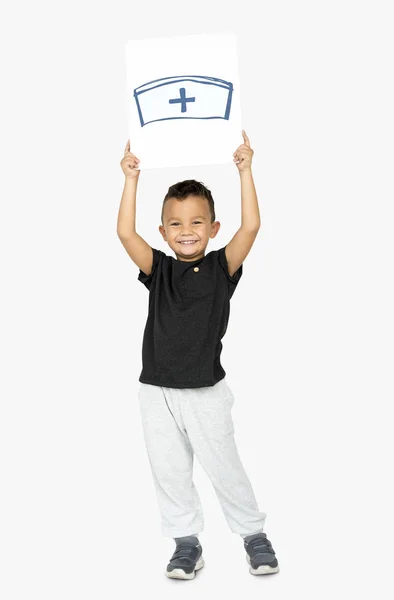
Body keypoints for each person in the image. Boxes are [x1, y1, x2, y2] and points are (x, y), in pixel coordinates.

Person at [117, 131, 280, 579]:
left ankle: (253, 534)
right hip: (156, 393)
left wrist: (245, 171)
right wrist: (130, 178)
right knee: (169, 470)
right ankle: (186, 543)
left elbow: (251, 227)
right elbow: (124, 232)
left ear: (212, 228)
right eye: (175, 223)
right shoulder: (158, 270)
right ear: (163, 230)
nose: (186, 231)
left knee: (224, 465)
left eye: (196, 223)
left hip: (205, 392)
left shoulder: (221, 267)